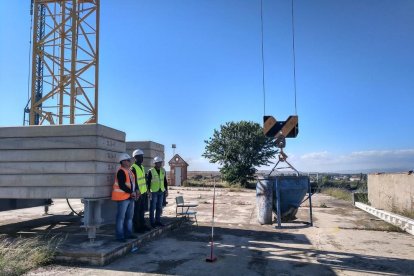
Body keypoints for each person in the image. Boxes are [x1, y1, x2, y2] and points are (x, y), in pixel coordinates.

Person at [111, 153, 137, 242]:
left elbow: (133, 183)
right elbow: (122, 185)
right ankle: (119, 236)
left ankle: (128, 234)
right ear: (122, 162)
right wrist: (131, 192)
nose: (128, 162)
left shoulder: (130, 171)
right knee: (120, 218)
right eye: (127, 160)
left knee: (129, 218)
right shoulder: (121, 171)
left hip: (130, 197)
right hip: (122, 198)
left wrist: (136, 191)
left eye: (129, 160)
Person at [130, 149, 151, 233]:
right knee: (136, 211)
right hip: (137, 194)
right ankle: (137, 228)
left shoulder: (142, 167)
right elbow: (133, 181)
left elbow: (143, 180)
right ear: (136, 158)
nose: (142, 158)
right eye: (140, 157)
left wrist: (146, 190)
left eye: (142, 157)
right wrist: (136, 190)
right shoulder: (133, 168)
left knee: (142, 210)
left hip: (143, 193)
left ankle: (143, 225)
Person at [147, 156, 168, 227]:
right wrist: (148, 191)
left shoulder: (163, 170)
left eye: (161, 162)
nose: (160, 164)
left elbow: (165, 181)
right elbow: (148, 182)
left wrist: (166, 190)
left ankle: (158, 221)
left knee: (159, 207)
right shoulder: (151, 171)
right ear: (155, 163)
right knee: (152, 207)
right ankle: (152, 222)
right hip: (154, 191)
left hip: (161, 191)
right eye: (158, 163)